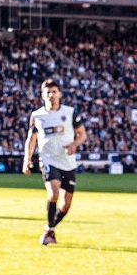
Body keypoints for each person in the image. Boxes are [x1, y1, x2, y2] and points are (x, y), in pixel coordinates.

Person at [21, 79, 87, 245]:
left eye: (54, 91)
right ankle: (49, 232)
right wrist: (26, 160)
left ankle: (49, 230)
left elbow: (82, 134)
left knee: (65, 205)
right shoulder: (37, 116)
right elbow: (31, 139)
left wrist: (74, 145)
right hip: (48, 160)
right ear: (43, 95)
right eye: (48, 92)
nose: (51, 95)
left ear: (60, 94)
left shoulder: (70, 112)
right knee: (53, 192)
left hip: (68, 162)